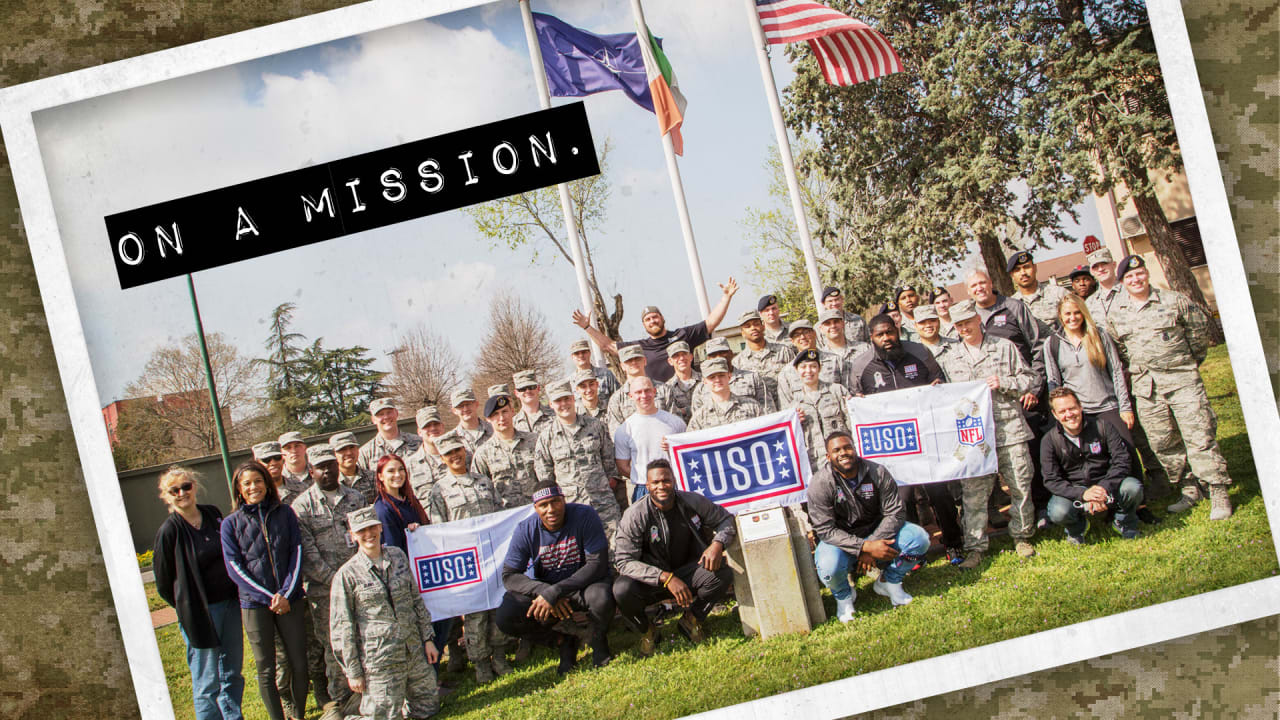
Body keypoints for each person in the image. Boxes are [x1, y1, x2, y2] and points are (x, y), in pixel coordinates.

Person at [1105, 254, 1234, 519]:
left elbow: (1198, 334)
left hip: (1182, 382)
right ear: (1122, 282)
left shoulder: (1174, 301)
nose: (1136, 279)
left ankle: (1218, 491)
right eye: (1129, 276)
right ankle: (1189, 489)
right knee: (1164, 443)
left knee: (1199, 437)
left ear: (1146, 274)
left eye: (1139, 273)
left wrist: (1186, 363)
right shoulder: (1117, 315)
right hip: (1147, 390)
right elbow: (1120, 350)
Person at [846, 315, 964, 563]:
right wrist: (856, 402)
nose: (886, 339)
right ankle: (913, 553)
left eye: (890, 332)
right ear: (872, 338)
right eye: (880, 335)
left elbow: (940, 383)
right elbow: (855, 399)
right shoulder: (861, 365)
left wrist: (938, 386)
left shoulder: (919, 353)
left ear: (897, 331)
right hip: (893, 447)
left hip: (927, 441)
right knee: (901, 501)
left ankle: (954, 543)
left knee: (940, 493)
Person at [937, 300, 1041, 566]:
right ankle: (975, 547)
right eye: (959, 325)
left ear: (977, 320)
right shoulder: (950, 359)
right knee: (973, 494)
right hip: (974, 436)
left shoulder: (1004, 347)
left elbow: (1031, 379)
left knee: (1020, 484)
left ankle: (1022, 536)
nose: (964, 329)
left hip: (1009, 428)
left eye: (968, 322)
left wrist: (1005, 383)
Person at [612, 460, 736, 655]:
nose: (661, 486)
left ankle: (691, 619)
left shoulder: (692, 501)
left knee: (722, 574)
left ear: (674, 481)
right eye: (655, 482)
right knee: (621, 589)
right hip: (652, 580)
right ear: (648, 486)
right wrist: (664, 577)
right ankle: (648, 630)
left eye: (666, 481)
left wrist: (717, 544)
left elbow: (726, 519)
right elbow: (623, 561)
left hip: (688, 571)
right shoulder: (634, 515)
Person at [329, 506, 440, 720]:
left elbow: (416, 599)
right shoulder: (347, 575)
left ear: (380, 528)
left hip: (412, 650)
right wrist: (353, 672)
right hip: (379, 660)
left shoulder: (397, 556)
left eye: (372, 527)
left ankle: (397, 702)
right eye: (361, 531)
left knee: (428, 709)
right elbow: (342, 628)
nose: (368, 534)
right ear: (352, 536)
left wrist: (427, 638)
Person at [152, 466, 244, 720]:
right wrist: (186, 606)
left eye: (186, 486)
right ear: (166, 496)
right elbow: (163, 582)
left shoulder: (213, 514)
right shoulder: (169, 532)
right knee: (207, 681)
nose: (182, 493)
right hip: (200, 615)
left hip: (230, 605)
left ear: (194, 487)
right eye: (175, 490)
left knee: (232, 673)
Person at [496, 481, 615, 674]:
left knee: (602, 596)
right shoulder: (525, 529)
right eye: (543, 505)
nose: (550, 509)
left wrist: (556, 591)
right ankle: (562, 641)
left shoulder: (584, 515)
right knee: (506, 615)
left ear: (563, 500)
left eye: (555, 502)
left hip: (582, 586)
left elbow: (598, 563)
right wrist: (545, 591)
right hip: (548, 591)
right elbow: (510, 576)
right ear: (535, 508)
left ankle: (598, 640)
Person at [809, 432, 931, 620]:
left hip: (878, 534)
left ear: (855, 449)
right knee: (828, 565)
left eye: (847, 447)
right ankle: (844, 597)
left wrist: (872, 544)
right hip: (841, 543)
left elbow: (895, 512)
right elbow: (825, 530)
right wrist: (863, 547)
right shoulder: (820, 482)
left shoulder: (877, 472)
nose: (843, 453)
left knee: (918, 538)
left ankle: (889, 581)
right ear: (828, 456)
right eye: (836, 450)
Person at [219, 461, 307, 720]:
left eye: (258, 481)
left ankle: (298, 714)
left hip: (290, 599)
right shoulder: (230, 524)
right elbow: (235, 568)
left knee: (299, 662)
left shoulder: (286, 514)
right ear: (239, 489)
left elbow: (297, 552)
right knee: (266, 668)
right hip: (255, 605)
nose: (253, 487)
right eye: (246, 483)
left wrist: (286, 593)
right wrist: (270, 598)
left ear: (267, 484)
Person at [426, 435, 511, 683]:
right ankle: (481, 664)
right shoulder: (439, 490)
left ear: (464, 450)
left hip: (491, 555)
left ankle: (500, 656)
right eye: (448, 453)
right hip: (465, 562)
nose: (455, 456)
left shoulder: (484, 482)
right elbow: (439, 529)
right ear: (442, 459)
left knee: (497, 607)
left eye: (457, 450)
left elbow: (498, 515)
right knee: (475, 615)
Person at [291, 446, 366, 720]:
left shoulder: (356, 498)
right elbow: (308, 556)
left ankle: (366, 697)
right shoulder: (301, 507)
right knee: (336, 646)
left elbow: (365, 538)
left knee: (364, 638)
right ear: (311, 472)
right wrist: (339, 583)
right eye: (320, 467)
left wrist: (359, 577)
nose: (327, 471)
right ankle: (341, 701)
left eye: (330, 465)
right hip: (326, 593)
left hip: (360, 585)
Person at [572, 277, 739, 383]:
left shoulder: (682, 336)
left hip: (691, 395)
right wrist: (587, 327)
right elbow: (608, 346)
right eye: (648, 319)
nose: (652, 320)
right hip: (660, 400)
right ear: (644, 326)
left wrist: (726, 298)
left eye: (655, 316)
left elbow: (710, 323)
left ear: (662, 318)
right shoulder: (639, 348)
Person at [1042, 388, 1145, 542]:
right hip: (1075, 490)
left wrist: (1104, 487)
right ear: (1055, 415)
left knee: (1133, 488)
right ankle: (1077, 528)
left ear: (1080, 407)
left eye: (1072, 408)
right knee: (1058, 511)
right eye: (1062, 411)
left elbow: (1122, 460)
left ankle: (1123, 521)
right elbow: (1051, 480)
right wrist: (1082, 494)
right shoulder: (1049, 441)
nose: (1069, 414)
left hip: (1107, 484)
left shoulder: (1103, 426)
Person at [534, 380, 624, 544]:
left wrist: (608, 484)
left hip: (604, 503)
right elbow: (545, 475)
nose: (564, 404)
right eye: (558, 401)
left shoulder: (596, 426)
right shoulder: (546, 436)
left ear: (573, 398)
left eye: (566, 399)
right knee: (583, 554)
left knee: (617, 549)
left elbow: (609, 460)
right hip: (571, 507)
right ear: (551, 405)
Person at [615, 376, 687, 504]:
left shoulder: (675, 423)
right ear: (630, 395)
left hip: (674, 486)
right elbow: (622, 466)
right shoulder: (624, 430)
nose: (644, 395)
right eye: (638, 392)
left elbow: (687, 455)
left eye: (647, 390)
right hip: (643, 489)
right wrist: (645, 478)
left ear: (654, 392)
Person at [786, 349, 853, 471]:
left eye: (813, 366)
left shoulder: (837, 391)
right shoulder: (793, 406)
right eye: (803, 367)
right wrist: (796, 424)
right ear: (796, 370)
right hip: (816, 464)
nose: (808, 371)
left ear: (819, 368)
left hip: (844, 458)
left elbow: (852, 423)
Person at [473, 393, 540, 509]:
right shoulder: (483, 454)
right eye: (495, 414)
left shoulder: (535, 441)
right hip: (507, 516)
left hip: (537, 509)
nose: (502, 418)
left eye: (505, 412)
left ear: (513, 412)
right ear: (488, 419)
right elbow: (481, 492)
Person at [776, 320, 849, 407]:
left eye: (806, 332)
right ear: (792, 341)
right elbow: (786, 407)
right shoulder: (786, 373)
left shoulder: (836, 361)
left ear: (814, 333)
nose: (802, 337)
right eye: (797, 335)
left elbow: (850, 392)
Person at [733, 308, 796, 409]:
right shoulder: (738, 363)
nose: (753, 328)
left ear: (763, 326)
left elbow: (796, 379)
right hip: (762, 416)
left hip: (789, 409)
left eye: (756, 324)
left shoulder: (783, 351)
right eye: (748, 326)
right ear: (742, 333)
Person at [691, 337, 771, 414]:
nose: (719, 357)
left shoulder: (752, 378)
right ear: (708, 358)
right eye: (713, 355)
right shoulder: (701, 388)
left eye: (722, 352)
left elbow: (768, 410)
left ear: (731, 354)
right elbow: (698, 421)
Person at [607, 345, 671, 434]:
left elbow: (674, 420)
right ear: (622, 366)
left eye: (637, 359)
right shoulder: (617, 399)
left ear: (644, 361)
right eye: (629, 360)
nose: (634, 362)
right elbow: (616, 432)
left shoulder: (663, 389)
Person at [687, 357, 765, 431]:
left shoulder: (752, 407)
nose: (717, 380)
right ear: (704, 381)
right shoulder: (699, 417)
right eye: (712, 377)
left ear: (729, 376)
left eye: (721, 375)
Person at [1008, 250, 1072, 332]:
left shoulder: (1059, 294)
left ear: (1035, 268)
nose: (1023, 272)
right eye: (1017, 270)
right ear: (1012, 275)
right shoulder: (1011, 305)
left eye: (1027, 267)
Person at [357, 399, 422, 473]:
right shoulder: (366, 453)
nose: (386, 417)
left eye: (389, 412)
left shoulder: (418, 442)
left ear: (396, 413)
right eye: (380, 414)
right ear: (373, 419)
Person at [405, 406, 448, 505]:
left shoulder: (461, 456)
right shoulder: (410, 465)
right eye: (427, 426)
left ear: (442, 426)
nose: (432, 428)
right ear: (419, 432)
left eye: (436, 424)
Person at [568, 338, 620, 408]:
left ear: (589, 353)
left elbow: (618, 399)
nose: (581, 356)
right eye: (577, 353)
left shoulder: (606, 375)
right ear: (572, 357)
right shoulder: (569, 383)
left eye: (583, 352)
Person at [329, 432, 376, 504]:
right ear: (333, 454)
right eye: (343, 449)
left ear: (357, 449)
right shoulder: (331, 482)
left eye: (352, 447)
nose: (349, 453)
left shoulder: (373, 477)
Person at [660, 341, 699, 424]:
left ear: (691, 357)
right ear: (670, 361)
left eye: (684, 354)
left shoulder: (705, 381)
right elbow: (670, 415)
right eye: (676, 356)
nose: (681, 358)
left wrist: (684, 410)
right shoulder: (666, 388)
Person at [1085, 246, 1123, 324]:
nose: (1100, 269)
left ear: (1114, 265)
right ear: (1091, 272)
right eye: (1095, 267)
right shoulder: (1090, 303)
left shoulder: (1131, 292)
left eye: (1104, 264)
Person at [449, 387, 493, 455]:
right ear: (454, 411)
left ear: (476, 404)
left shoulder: (493, 429)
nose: (465, 409)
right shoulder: (452, 439)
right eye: (460, 406)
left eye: (468, 404)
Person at [512, 370, 556, 436]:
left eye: (531, 387)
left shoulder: (555, 415)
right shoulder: (513, 424)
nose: (527, 391)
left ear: (538, 388)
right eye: (522, 389)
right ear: (516, 393)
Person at [277, 432, 313, 502]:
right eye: (288, 448)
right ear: (281, 452)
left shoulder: (317, 472)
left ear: (304, 448)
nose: (294, 451)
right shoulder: (279, 479)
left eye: (297, 446)